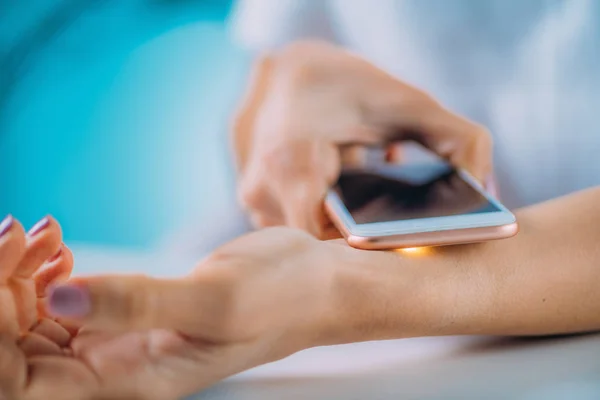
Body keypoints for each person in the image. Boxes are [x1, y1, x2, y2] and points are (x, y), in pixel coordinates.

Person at [2, 1, 600, 399]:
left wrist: (355, 289)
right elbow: (274, 68)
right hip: (283, 288)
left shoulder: (339, 291)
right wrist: (295, 84)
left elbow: (352, 289)